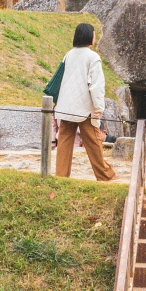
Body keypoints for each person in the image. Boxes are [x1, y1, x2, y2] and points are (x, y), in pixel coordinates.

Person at [55, 23, 116, 182]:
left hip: (66, 106)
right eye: (94, 34)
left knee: (64, 144)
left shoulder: (68, 54)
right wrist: (99, 107)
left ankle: (61, 177)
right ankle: (105, 175)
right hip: (84, 108)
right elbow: (96, 85)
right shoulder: (92, 57)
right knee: (94, 143)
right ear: (89, 36)